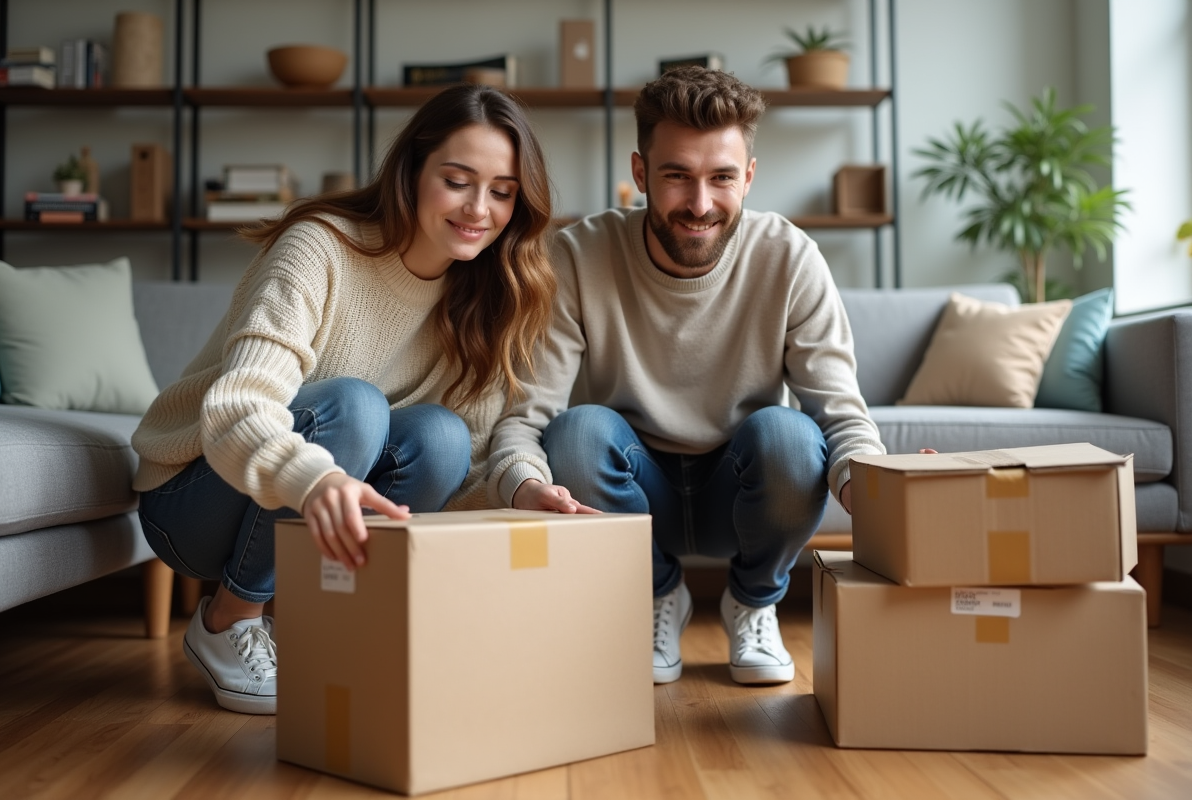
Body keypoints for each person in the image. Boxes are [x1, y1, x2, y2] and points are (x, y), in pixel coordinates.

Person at [132, 84, 556, 714]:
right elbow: (235, 412)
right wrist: (316, 479)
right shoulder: (319, 248)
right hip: (193, 499)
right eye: (458, 180)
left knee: (439, 435)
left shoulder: (489, 295)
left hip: (300, 515)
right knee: (357, 409)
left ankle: (331, 621)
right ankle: (229, 618)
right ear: (412, 171)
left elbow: (463, 462)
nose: (479, 210)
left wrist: (519, 487)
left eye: (501, 191)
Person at [487, 67, 884, 686]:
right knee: (577, 433)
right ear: (640, 173)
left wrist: (882, 492)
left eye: (722, 177)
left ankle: (753, 601)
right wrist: (520, 483)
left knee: (792, 436)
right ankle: (656, 595)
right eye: (676, 176)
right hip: (630, 493)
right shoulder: (577, 255)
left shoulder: (790, 256)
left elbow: (840, 411)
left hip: (745, 489)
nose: (700, 204)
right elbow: (527, 414)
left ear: (748, 176)